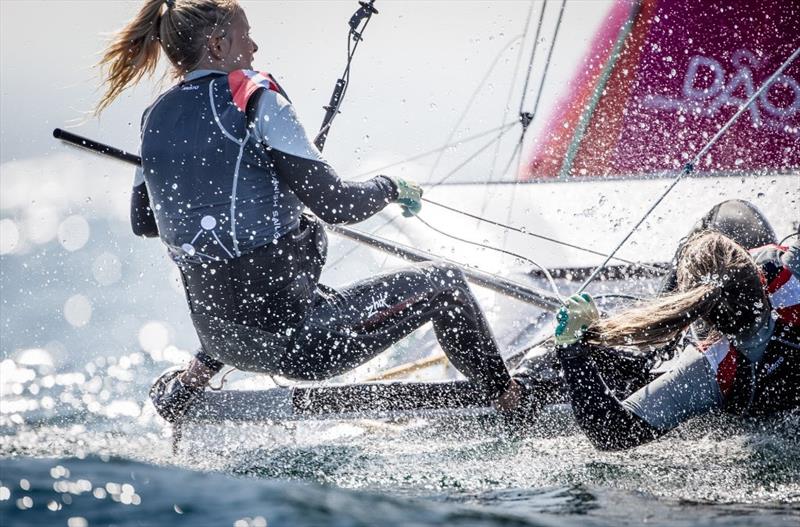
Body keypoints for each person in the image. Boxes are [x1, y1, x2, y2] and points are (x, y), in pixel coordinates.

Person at [96, 0, 521, 422]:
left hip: (223, 340)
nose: (256, 47)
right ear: (220, 45)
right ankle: (511, 401)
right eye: (247, 36)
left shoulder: (154, 116)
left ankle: (192, 379)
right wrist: (390, 187)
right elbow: (336, 203)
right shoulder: (256, 101)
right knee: (445, 283)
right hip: (302, 345)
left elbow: (144, 222)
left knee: (247, 282)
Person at [549, 228, 799, 450]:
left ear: (698, 310)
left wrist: (571, 349)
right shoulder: (792, 267)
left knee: (700, 230)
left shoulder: (707, 368)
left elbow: (612, 433)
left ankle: (656, 349)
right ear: (756, 271)